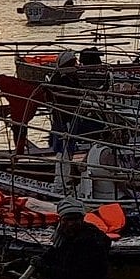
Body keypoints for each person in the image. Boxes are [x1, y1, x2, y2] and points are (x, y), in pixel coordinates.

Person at [35, 196, 110, 279]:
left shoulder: (90, 241)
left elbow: (73, 276)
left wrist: (43, 267)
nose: (71, 224)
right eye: (67, 219)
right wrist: (39, 260)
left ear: (82, 219)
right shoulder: (66, 236)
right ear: (61, 220)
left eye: (75, 219)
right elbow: (55, 252)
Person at [48, 51, 81, 192]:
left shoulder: (67, 78)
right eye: (73, 64)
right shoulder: (61, 81)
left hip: (69, 119)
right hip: (64, 120)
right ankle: (60, 183)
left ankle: (65, 180)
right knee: (64, 152)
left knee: (68, 151)